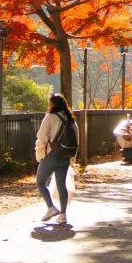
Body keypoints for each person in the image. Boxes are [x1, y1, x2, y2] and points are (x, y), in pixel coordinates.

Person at [35, 93, 77, 223]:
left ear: (52, 104)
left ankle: (51, 207)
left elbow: (42, 138)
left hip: (51, 155)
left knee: (40, 182)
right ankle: (63, 214)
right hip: (65, 155)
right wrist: (72, 156)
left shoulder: (50, 117)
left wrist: (39, 155)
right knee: (61, 185)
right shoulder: (70, 119)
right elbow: (76, 138)